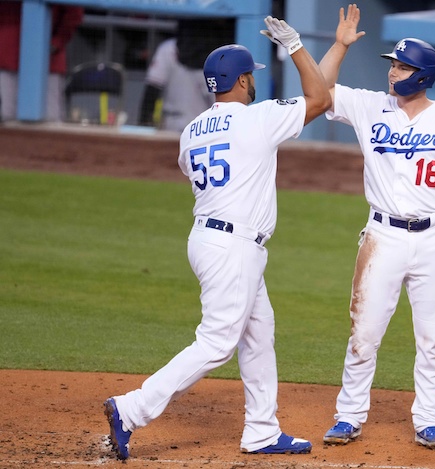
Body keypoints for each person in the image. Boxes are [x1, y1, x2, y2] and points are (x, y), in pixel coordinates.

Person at [102, 15, 331, 461]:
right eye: (252, 77)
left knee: (259, 334)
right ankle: (131, 409)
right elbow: (319, 98)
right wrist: (295, 45)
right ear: (243, 80)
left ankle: (262, 431)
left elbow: (193, 171)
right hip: (234, 248)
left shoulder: (191, 131)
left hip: (209, 241)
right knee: (217, 343)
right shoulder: (259, 118)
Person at [319, 4, 435, 452]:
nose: (393, 73)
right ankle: (348, 416)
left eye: (403, 66)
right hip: (383, 238)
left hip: (433, 240)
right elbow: (319, 89)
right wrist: (340, 44)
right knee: (364, 333)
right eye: (392, 64)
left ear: (423, 75)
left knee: (432, 338)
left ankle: (429, 421)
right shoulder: (372, 107)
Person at [138, 18, 235, 132]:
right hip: (193, 128)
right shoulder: (169, 49)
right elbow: (152, 90)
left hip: (193, 126)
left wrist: (143, 124)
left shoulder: (217, 58)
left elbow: (151, 92)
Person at [0, 2, 83, 122]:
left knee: (51, 120)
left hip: (48, 61)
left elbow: (74, 13)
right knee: (6, 120)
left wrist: (56, 42)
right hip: (7, 56)